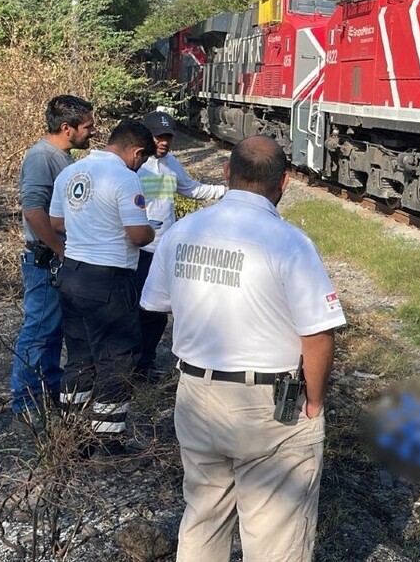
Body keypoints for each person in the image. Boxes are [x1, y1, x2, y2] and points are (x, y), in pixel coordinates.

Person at [140, 135, 346, 561]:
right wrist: (314, 401)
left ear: (226, 174)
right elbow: (319, 332)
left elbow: (155, 304)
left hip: (196, 395)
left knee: (203, 516)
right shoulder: (289, 242)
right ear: (284, 182)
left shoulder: (182, 231)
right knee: (275, 534)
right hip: (268, 406)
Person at [49, 120, 156, 450]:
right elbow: (138, 236)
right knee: (116, 359)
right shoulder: (125, 177)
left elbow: (56, 222)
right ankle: (109, 442)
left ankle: (73, 432)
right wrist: (152, 230)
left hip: (72, 275)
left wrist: (90, 225)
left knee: (79, 357)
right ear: (136, 152)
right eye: (141, 160)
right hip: (108, 280)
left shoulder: (70, 173)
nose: (139, 166)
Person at [11, 95, 95, 426]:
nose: (92, 131)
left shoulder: (62, 157)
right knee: (38, 328)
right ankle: (25, 401)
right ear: (67, 128)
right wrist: (60, 250)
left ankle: (49, 389)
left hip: (57, 257)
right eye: (87, 126)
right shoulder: (41, 158)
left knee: (53, 328)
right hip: (45, 260)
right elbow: (33, 211)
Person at [132, 110, 225, 380]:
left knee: (158, 311)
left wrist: (226, 191)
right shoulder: (134, 165)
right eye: (158, 137)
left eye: (168, 138)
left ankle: (144, 365)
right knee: (135, 309)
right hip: (138, 250)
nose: (163, 142)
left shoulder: (171, 163)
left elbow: (192, 189)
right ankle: (128, 363)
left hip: (164, 250)